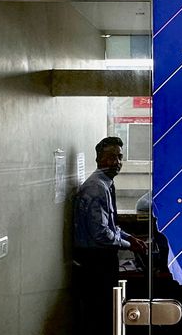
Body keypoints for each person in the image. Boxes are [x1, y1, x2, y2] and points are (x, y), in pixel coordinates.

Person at [73, 136, 147, 335]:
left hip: (100, 258)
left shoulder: (105, 183)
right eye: (111, 157)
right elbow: (102, 234)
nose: (116, 162)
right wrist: (128, 245)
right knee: (102, 316)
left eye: (120, 157)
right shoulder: (97, 188)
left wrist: (129, 237)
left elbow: (110, 226)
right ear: (98, 159)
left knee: (106, 313)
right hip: (95, 262)